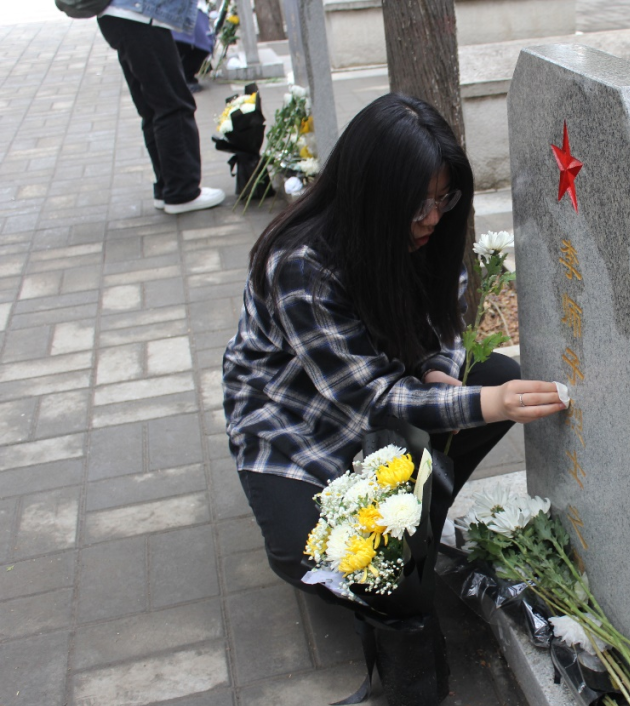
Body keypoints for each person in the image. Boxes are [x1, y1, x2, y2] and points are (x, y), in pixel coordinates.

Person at [222, 93, 566, 609]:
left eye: (443, 199)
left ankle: (415, 523)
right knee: (311, 556)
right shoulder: (301, 266)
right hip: (297, 419)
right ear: (370, 196)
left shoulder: (431, 235)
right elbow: (369, 398)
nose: (432, 219)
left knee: (493, 374)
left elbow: (444, 328)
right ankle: (386, 545)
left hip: (384, 384)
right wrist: (486, 403)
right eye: (417, 205)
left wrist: (433, 369)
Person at [98, 0, 224, 214]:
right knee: (172, 105)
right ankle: (182, 192)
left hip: (120, 13)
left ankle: (168, 188)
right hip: (141, 14)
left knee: (153, 107)